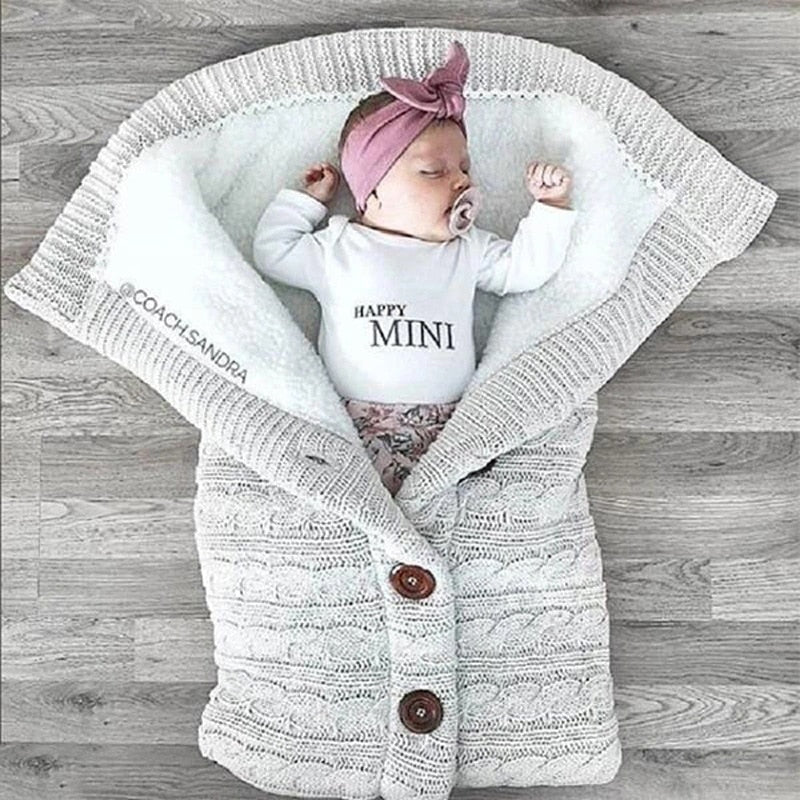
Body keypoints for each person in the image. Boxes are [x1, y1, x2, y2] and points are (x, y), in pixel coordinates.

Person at [252, 41, 576, 496]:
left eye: (464, 169)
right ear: (372, 194)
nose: (461, 181)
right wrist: (306, 202)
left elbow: (525, 270)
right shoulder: (338, 247)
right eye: (433, 172)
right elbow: (272, 252)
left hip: (450, 429)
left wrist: (550, 208)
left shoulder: (466, 249)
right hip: (352, 426)